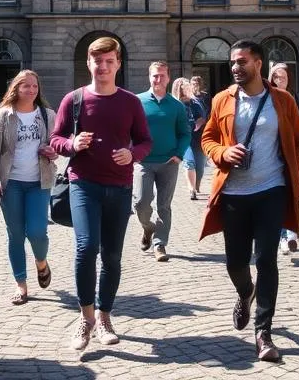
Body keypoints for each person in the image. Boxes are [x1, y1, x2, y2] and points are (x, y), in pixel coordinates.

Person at [199, 40, 299, 363]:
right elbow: (207, 138)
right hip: (233, 193)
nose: (235, 67)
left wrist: (293, 173)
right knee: (235, 262)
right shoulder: (222, 99)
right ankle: (246, 292)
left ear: (258, 64)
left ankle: (263, 333)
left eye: (242, 61)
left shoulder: (282, 101)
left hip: (271, 190)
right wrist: (223, 153)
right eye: (233, 62)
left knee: (266, 261)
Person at [49, 36, 152, 352]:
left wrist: (132, 154)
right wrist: (71, 144)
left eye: (109, 61)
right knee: (85, 247)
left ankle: (105, 316)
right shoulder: (74, 99)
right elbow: (56, 138)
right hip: (84, 184)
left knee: (111, 255)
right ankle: (86, 318)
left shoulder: (130, 102)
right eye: (98, 61)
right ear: (89, 63)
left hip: (120, 188)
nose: (103, 67)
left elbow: (145, 142)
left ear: (118, 64)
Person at [0, 69, 58, 305]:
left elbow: (58, 143)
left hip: (40, 181)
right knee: (15, 235)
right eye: (26, 86)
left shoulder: (47, 114)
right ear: (16, 88)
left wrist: (53, 151)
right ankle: (21, 284)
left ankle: (41, 262)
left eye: (35, 86)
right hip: (11, 184)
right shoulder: (4, 115)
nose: (31, 90)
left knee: (37, 232)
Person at [133, 61, 190, 263]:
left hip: (168, 163)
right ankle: (148, 228)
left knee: (164, 205)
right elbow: (127, 130)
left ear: (168, 78)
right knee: (141, 203)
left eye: (162, 76)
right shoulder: (137, 102)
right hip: (143, 162)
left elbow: (185, 133)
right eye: (155, 76)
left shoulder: (176, 106)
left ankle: (160, 244)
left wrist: (179, 154)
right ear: (149, 77)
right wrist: (132, 152)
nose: (158, 79)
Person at [268, 62, 299, 256]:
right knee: (281, 196)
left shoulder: (295, 97)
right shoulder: (268, 98)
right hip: (274, 153)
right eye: (276, 77)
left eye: (283, 76)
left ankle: (290, 231)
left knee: (293, 194)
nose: (279, 80)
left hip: (291, 153)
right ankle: (285, 236)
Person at [173, 77, 208, 200]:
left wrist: (199, 122)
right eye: (185, 86)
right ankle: (191, 189)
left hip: (198, 138)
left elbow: (202, 116)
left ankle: (196, 186)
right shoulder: (175, 104)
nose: (189, 88)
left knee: (200, 166)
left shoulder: (196, 102)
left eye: (188, 86)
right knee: (189, 162)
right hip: (184, 138)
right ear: (180, 89)